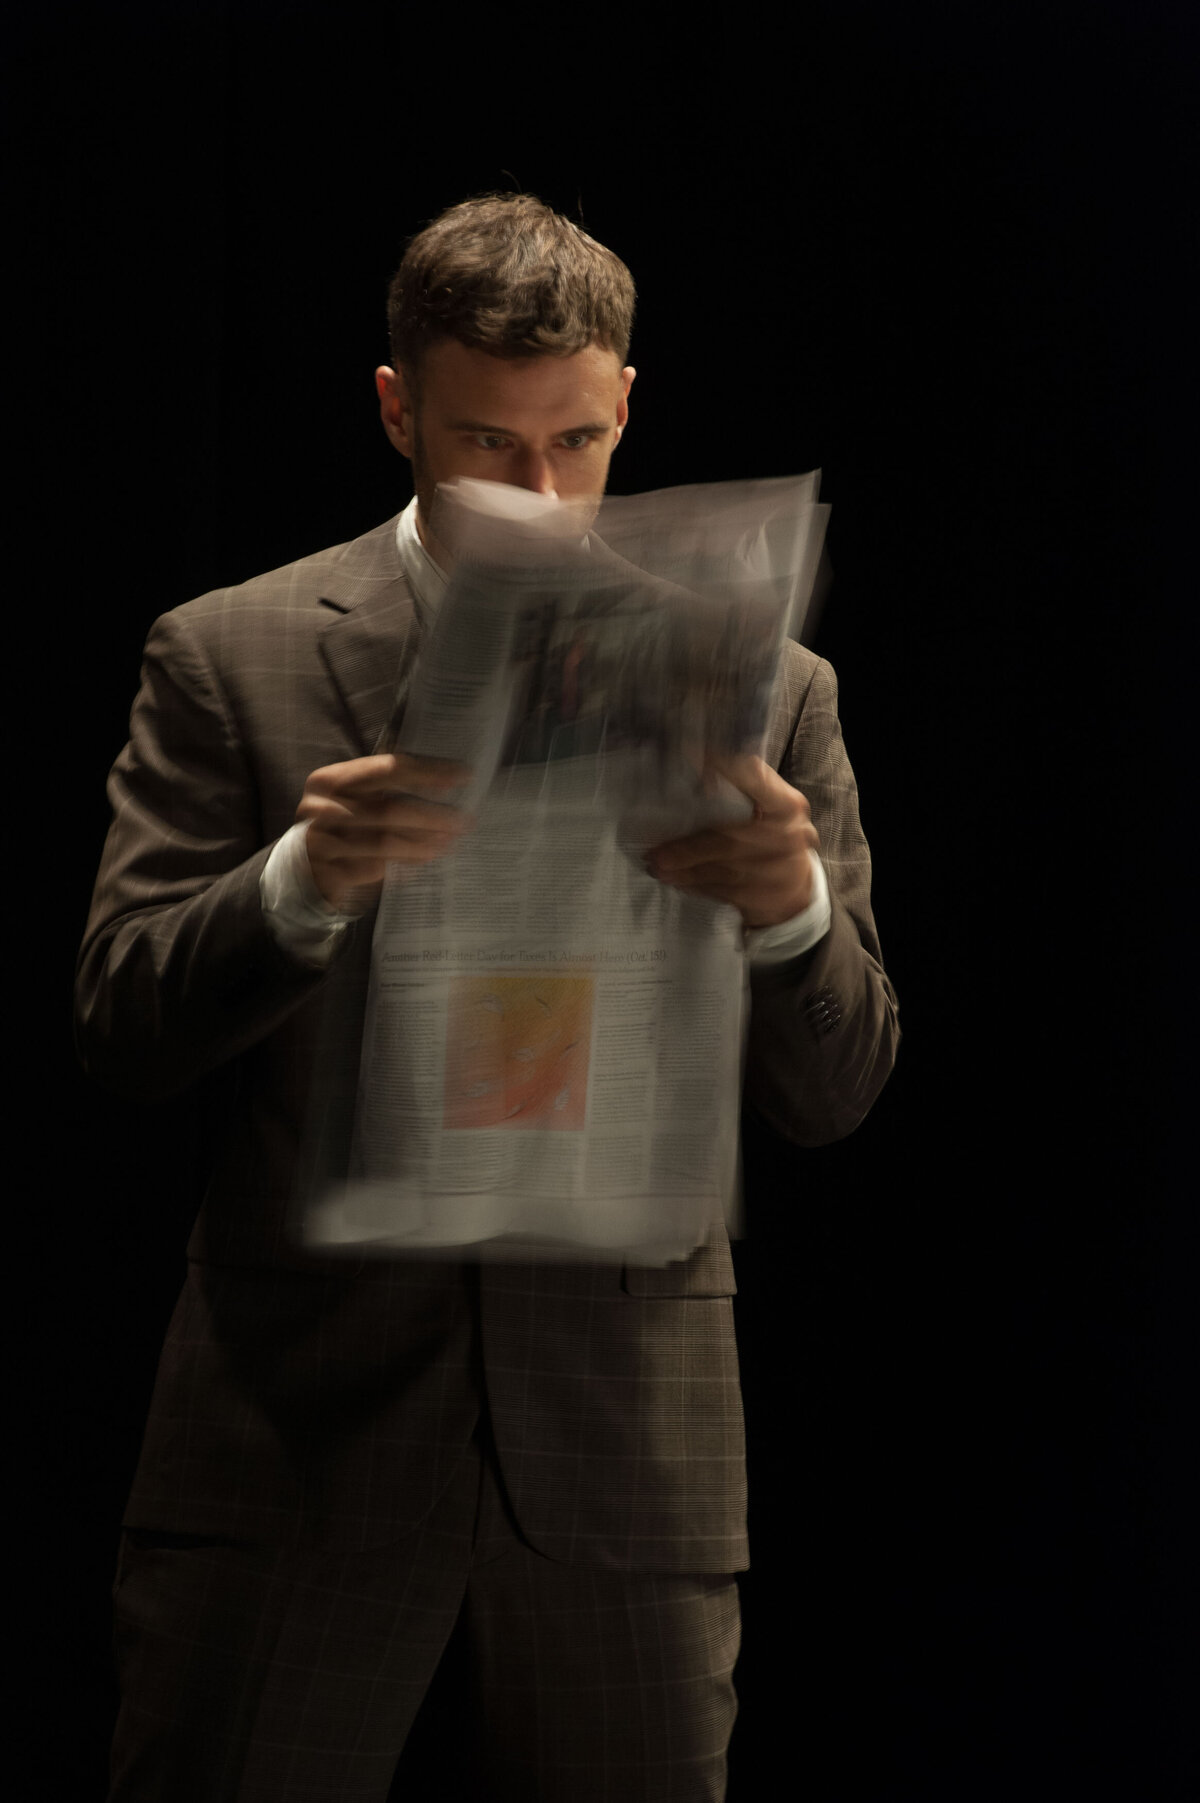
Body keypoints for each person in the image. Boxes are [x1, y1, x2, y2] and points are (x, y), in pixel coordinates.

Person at [76, 193, 899, 1803]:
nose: (536, 496)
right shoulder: (226, 653)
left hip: (624, 1451)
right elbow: (117, 1020)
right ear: (396, 410)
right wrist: (302, 885)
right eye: (485, 449)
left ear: (627, 407)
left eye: (575, 446)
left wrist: (791, 915)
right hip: (292, 1446)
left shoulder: (770, 685)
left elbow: (845, 1082)